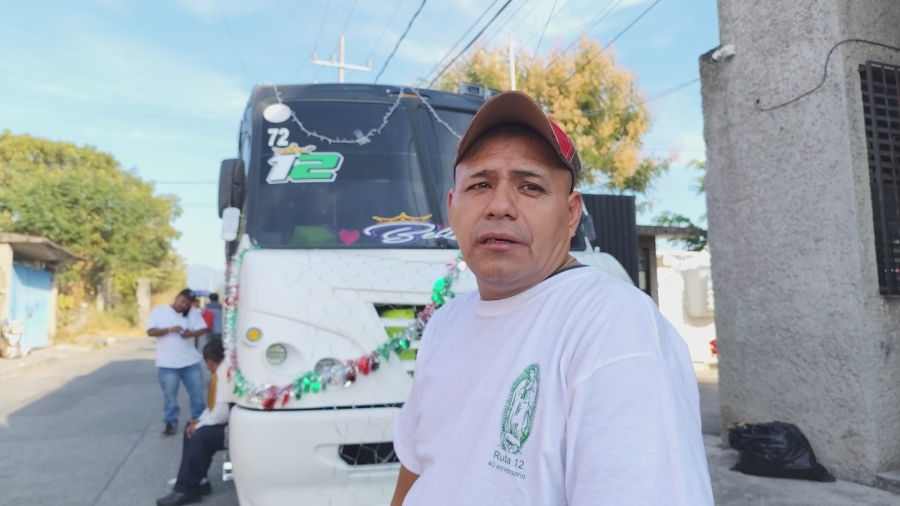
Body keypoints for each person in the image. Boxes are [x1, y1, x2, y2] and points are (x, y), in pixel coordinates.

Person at [390, 91, 714, 505]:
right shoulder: (445, 324)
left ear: (571, 212)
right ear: (452, 207)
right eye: (480, 184)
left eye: (530, 187)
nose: (500, 206)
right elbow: (415, 473)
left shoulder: (613, 327)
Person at [156, 339, 231, 506]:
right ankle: (199, 481)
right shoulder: (223, 369)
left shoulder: (224, 375)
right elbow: (213, 409)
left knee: (201, 435)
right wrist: (198, 422)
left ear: (210, 362)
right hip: (230, 422)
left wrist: (199, 426)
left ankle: (185, 489)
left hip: (234, 429)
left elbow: (220, 413)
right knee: (192, 426)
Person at [147, 289, 209, 436]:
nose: (184, 305)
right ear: (176, 298)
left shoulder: (193, 313)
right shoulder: (159, 311)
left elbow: (203, 329)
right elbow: (150, 331)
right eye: (182, 301)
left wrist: (191, 334)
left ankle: (199, 421)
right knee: (170, 397)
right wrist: (170, 329)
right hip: (167, 364)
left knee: (197, 395)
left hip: (190, 362)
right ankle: (170, 423)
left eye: (187, 304)